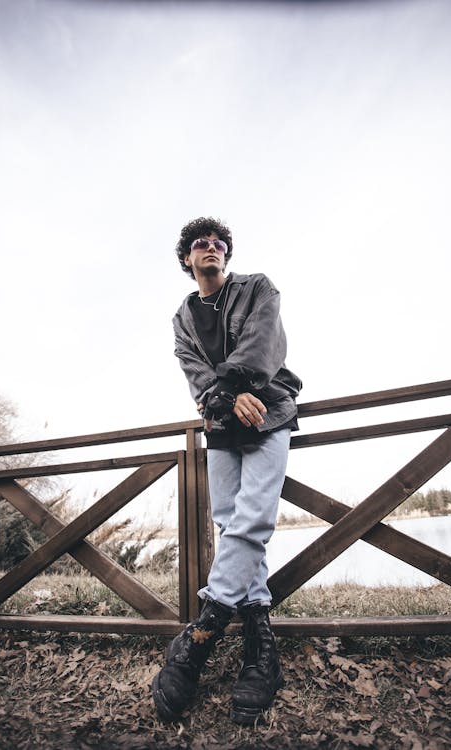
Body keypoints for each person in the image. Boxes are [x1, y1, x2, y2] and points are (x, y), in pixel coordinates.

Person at [152, 217, 302, 725]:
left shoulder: (258, 288)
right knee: (231, 523)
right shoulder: (182, 318)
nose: (210, 248)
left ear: (226, 255)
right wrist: (221, 396)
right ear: (187, 259)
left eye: (218, 243)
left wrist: (237, 387)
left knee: (254, 519)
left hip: (267, 410)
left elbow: (263, 344)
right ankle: (262, 645)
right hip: (220, 423)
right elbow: (192, 369)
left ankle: (201, 635)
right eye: (201, 243)